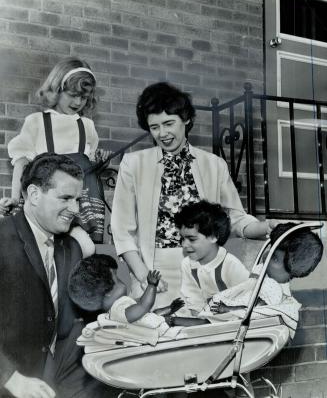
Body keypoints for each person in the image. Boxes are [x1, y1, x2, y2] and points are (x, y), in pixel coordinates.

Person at [111, 82, 274, 307]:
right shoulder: (133, 164)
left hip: (204, 268)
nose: (163, 134)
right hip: (155, 271)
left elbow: (235, 218)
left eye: (169, 123)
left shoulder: (214, 165)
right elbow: (122, 230)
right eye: (155, 127)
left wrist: (266, 228)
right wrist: (143, 276)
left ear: (186, 120)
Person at [0, 154, 112, 398]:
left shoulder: (71, 248)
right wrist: (10, 378)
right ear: (34, 194)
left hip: (55, 376)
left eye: (78, 200)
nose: (75, 209)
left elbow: (82, 313)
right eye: (65, 198)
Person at [0, 56, 109, 248]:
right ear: (57, 89)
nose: (77, 102)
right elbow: (22, 162)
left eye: (83, 97)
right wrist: (15, 198)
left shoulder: (88, 126)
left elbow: (87, 170)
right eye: (72, 94)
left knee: (87, 247)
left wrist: (100, 163)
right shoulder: (36, 122)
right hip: (47, 205)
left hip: (79, 209)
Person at [208, 222, 323, 315]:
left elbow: (257, 308)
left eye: (275, 258)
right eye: (270, 250)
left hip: (237, 316)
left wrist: (229, 309)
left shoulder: (273, 289)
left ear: (292, 270)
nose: (266, 256)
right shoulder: (267, 277)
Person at [69, 254, 205, 331]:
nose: (122, 282)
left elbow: (140, 303)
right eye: (117, 280)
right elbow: (143, 306)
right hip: (154, 327)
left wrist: (169, 308)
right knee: (178, 321)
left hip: (150, 320)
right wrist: (151, 286)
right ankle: (207, 326)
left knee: (159, 314)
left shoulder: (119, 307)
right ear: (108, 293)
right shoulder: (118, 312)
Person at [174, 200, 250, 316]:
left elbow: (248, 300)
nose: (184, 245)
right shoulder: (187, 264)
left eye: (192, 239)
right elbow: (193, 301)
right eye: (183, 239)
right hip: (205, 321)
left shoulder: (230, 265)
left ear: (214, 237)